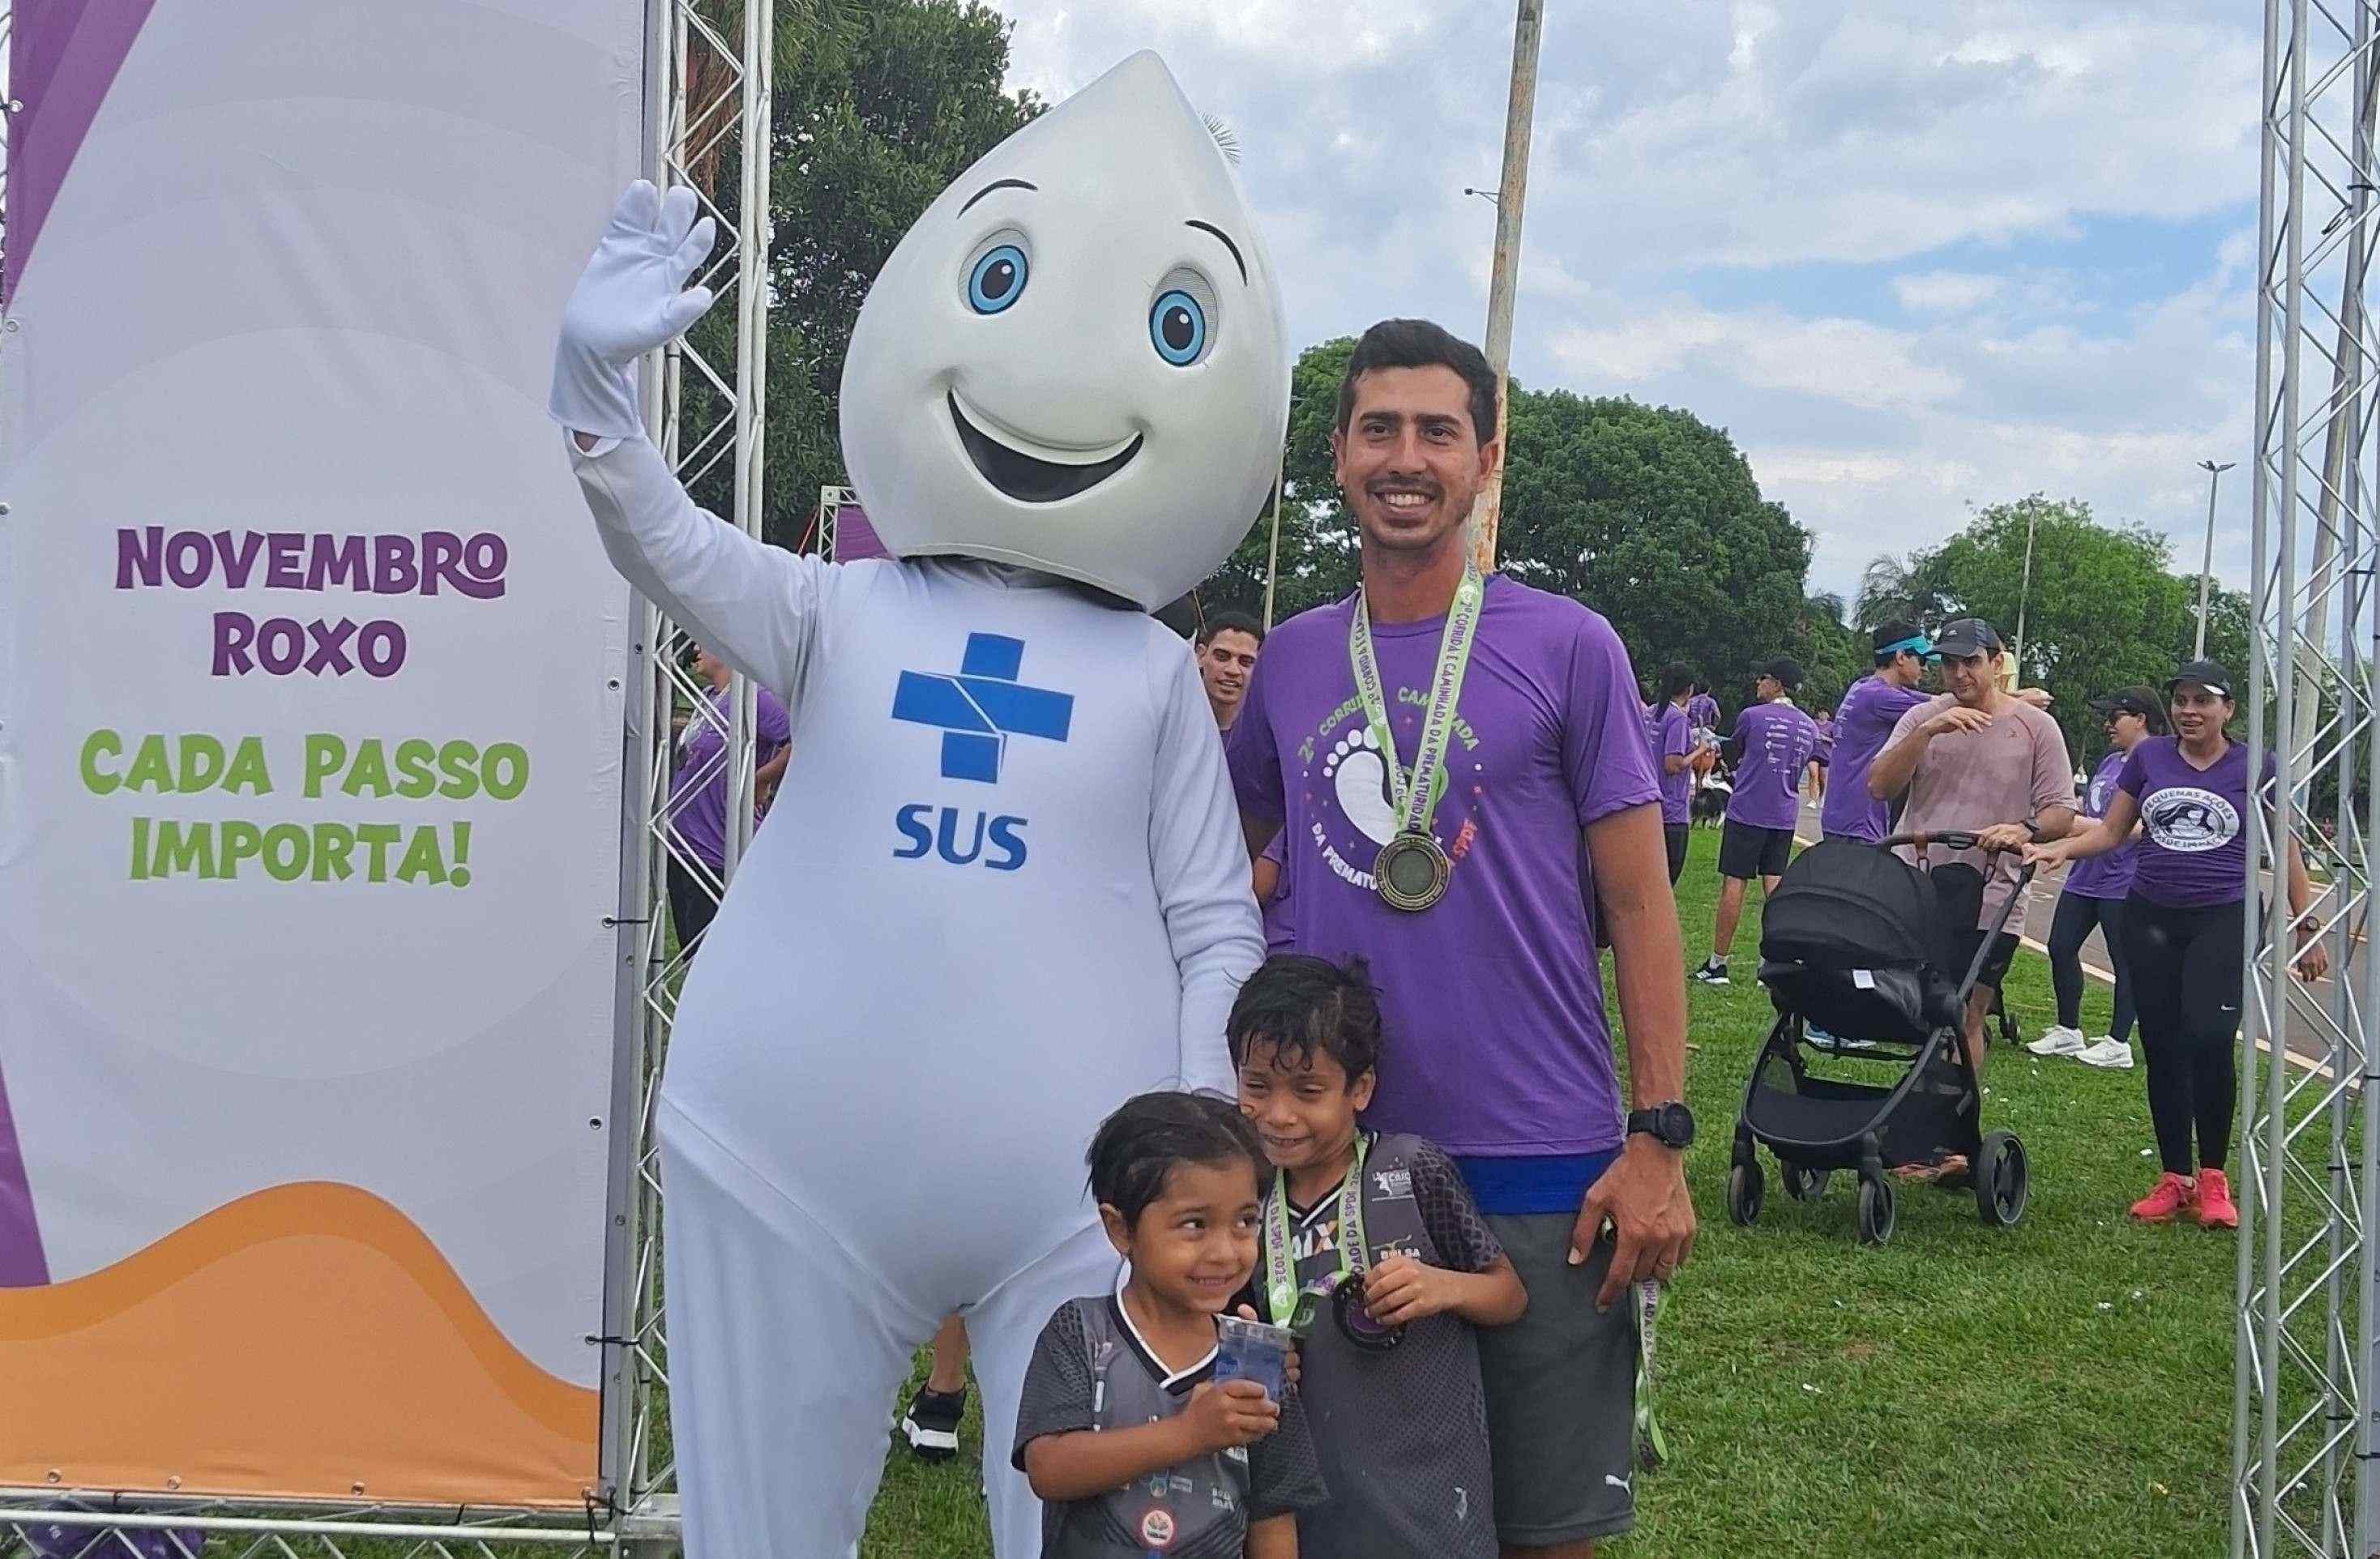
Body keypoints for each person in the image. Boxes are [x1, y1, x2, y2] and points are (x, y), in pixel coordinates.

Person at [548, 54, 1279, 1557]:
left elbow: (1215, 917)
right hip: (783, 1148)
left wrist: (1193, 1117)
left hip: (1084, 1190)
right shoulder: (835, 608)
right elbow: (658, 537)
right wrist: (592, 392)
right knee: (761, 1528)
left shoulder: (1149, 674)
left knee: (1097, 1520)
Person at [1227, 318, 1694, 1558]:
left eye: (1438, 430)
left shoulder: (1567, 645)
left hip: (1543, 1161)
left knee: (1547, 1530)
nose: (1407, 456)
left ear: (1485, 459)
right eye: (1379, 428)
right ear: (1337, 455)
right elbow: (1220, 854)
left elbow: (1644, 908)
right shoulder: (1289, 660)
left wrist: (1658, 1137)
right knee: (1356, 1525)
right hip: (1332, 1160)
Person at [1233, 954, 1526, 1557]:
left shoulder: (1411, 1168)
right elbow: (1232, 1332)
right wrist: (1256, 1362)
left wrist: (1442, 1287)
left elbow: (1508, 1294)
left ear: (1359, 1089)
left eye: (1308, 1091)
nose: (1279, 1114)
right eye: (1256, 1086)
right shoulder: (1241, 1201)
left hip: (1434, 1503)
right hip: (1307, 1508)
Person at [2025, 660, 2329, 1228]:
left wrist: (2306, 925)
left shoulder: (2254, 765)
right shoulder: (2149, 758)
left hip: (2222, 917)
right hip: (2149, 915)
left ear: (2227, 709)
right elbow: (2113, 831)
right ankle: (2174, 1176)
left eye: (2202, 701)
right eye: (2181, 701)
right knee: (2161, 1044)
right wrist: (2061, 850)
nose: (2190, 711)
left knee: (2210, 1038)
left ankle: (2212, 1178)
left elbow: (2284, 849)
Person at [1014, 1091, 1327, 1558]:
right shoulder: (1080, 1331)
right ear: (1121, 1230)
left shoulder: (1254, 1361)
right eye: (1195, 1225)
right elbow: (1049, 1468)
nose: (1225, 1250)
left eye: (1245, 1221)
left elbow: (1273, 1514)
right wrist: (1189, 1435)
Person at [1866, 618, 2075, 1096]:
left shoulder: (2035, 728)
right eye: (1948, 664)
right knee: (1917, 1006)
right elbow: (1879, 786)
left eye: (1971, 663)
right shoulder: (1922, 718)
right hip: (1918, 881)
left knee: (1966, 1012)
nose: (1959, 674)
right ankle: (1914, 1116)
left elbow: (2061, 811)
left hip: (1995, 889)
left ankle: (1950, 1133)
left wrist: (2023, 829)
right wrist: (1926, 734)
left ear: (1996, 664)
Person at [2028, 688, 2165, 1070]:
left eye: (2116, 716)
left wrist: (2080, 827)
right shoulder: (2110, 762)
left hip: (2124, 878)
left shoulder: (2157, 762)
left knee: (2126, 960)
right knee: (2060, 946)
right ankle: (2068, 1029)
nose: (2108, 724)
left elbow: (2138, 827)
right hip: (2086, 873)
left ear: (2140, 719)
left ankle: (2118, 1041)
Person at [1690, 659, 1822, 986]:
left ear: (1776, 684)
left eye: (1762, 678)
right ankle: (1770, 965)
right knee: (1774, 887)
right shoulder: (1809, 726)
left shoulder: (1753, 716)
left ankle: (1718, 963)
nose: (1757, 683)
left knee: (1734, 883)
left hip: (1748, 811)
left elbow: (1735, 752)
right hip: (1784, 815)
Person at [664, 642, 791, 957]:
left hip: (718, 847)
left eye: (701, 642)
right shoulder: (708, 699)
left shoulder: (757, 698)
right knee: (689, 952)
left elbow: (799, 739)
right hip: (684, 845)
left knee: (711, 954)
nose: (694, 649)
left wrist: (761, 778)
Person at [1819, 621, 1936, 843]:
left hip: (1843, 818)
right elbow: (1945, 708)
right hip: (1859, 824)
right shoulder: (1880, 698)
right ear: (1901, 657)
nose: (1926, 668)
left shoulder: (1863, 687)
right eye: (1922, 660)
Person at [1650, 663, 1703, 885]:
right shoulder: (1677, 719)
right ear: (1689, 690)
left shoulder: (1650, 713)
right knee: (1667, 878)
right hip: (1671, 808)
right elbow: (1672, 765)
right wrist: (1699, 751)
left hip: (1646, 803)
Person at [1199, 609, 1266, 732]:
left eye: (1246, 662)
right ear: (1201, 656)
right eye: (1222, 657)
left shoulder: (1266, 737)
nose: (1233, 670)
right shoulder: (1171, 719)